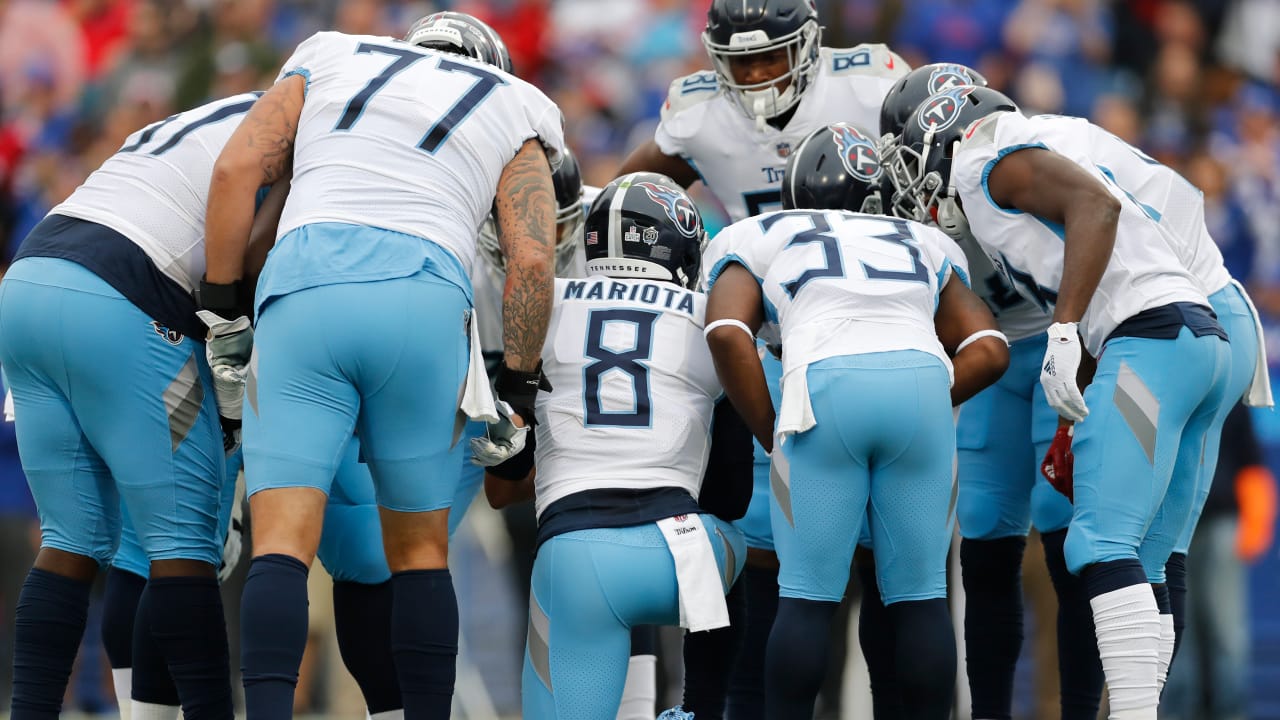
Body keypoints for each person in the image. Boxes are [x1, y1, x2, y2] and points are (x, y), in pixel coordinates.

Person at [201, 11, 565, 719]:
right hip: (423, 300)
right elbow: (531, 258)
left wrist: (223, 308)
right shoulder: (512, 100)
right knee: (420, 553)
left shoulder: (332, 52)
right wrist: (517, 387)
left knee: (280, 543)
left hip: (305, 282)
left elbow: (237, 168)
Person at [888, 85, 1231, 717]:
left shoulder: (985, 160)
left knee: (1097, 544)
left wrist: (1065, 329)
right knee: (1146, 559)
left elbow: (1094, 206)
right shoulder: (1028, 150)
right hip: (1195, 341)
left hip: (1148, 339)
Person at [617, 2, 909, 714]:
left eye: (769, 56)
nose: (753, 74)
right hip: (767, 349)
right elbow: (631, 201)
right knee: (768, 562)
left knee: (876, 565)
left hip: (866, 334)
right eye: (739, 59)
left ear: (809, 45)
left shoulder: (871, 82)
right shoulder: (696, 111)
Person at [701, 121, 1010, 719]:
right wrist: (920, 397)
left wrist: (773, 430)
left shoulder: (761, 232)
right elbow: (991, 347)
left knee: (807, 598)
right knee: (921, 598)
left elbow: (726, 332)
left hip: (824, 388)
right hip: (921, 381)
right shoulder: (920, 239)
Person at [0, 90, 276, 720]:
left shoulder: (211, 115)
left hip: (30, 278)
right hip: (125, 300)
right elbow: (253, 255)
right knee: (181, 542)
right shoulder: (314, 125)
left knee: (70, 541)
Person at [478, 171, 747, 720]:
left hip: (572, 555)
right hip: (677, 557)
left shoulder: (543, 310)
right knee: (742, 539)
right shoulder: (704, 318)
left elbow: (501, 489)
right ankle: (700, 707)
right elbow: (732, 493)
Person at [878, 63, 1088, 720]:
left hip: (1060, 346)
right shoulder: (909, 210)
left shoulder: (1033, 167)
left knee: (1072, 547)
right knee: (987, 550)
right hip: (994, 361)